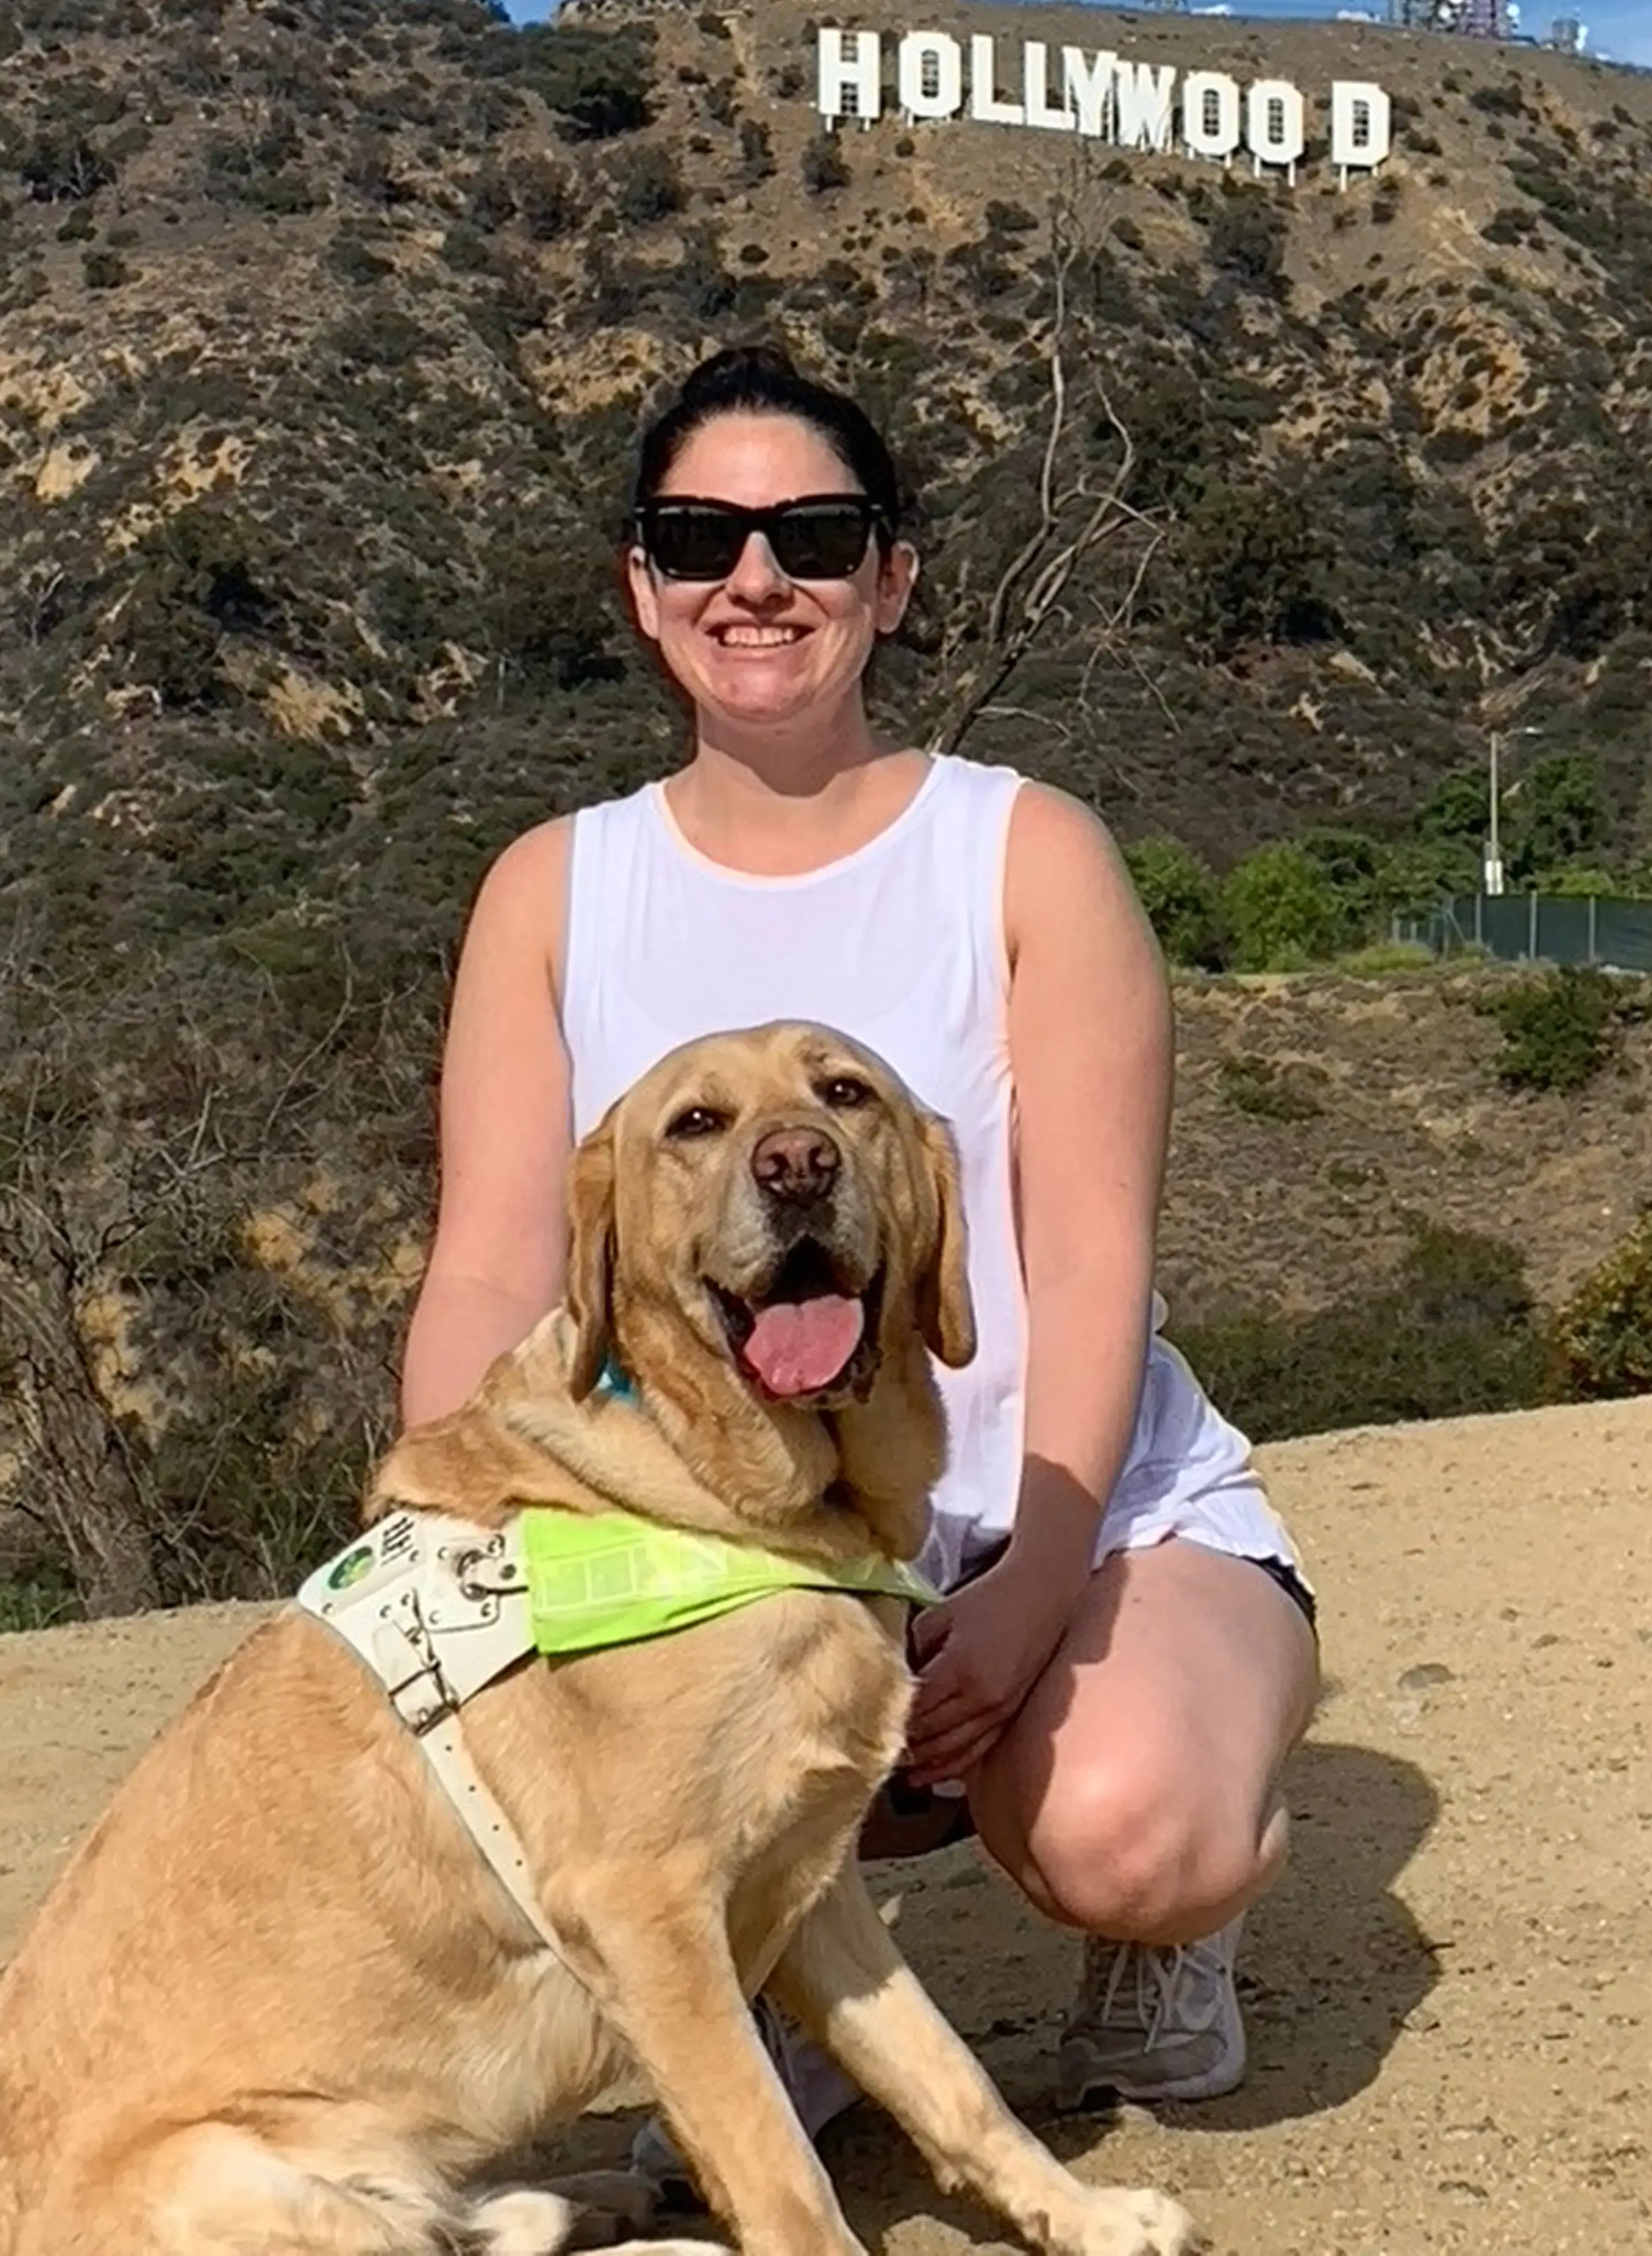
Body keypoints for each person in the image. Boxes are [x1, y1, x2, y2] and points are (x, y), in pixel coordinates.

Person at [399, 343, 1319, 2138]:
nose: (759, 580)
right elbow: (492, 1275)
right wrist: (460, 1571)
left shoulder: (1028, 856)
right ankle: (792, 1974)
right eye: (700, 537)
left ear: (889, 581)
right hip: (715, 1564)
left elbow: (1095, 1265)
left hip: (1049, 1521)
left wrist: (1036, 1582)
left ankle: (1154, 1921)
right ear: (642, 590)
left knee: (1133, 1831)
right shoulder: (550, 891)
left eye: (812, 536)